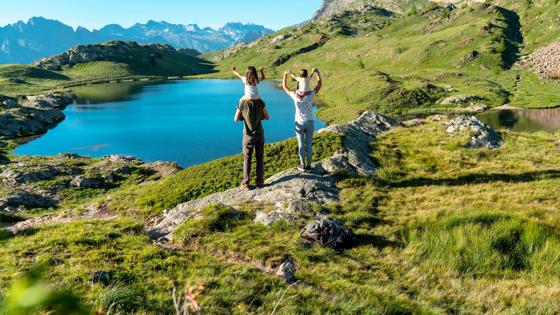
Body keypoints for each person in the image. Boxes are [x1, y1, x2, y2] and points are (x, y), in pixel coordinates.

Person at [233, 65, 270, 190]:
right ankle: (260, 182)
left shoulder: (242, 102)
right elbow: (267, 117)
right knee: (260, 157)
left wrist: (244, 117)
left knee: (247, 159)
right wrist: (261, 70)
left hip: (248, 135)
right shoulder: (260, 101)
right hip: (259, 133)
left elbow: (235, 119)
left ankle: (246, 183)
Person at [283, 68, 322, 171]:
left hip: (299, 122)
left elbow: (285, 87)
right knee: (309, 144)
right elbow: (319, 84)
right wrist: (317, 73)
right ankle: (309, 165)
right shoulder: (311, 95)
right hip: (310, 122)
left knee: (301, 144)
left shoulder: (295, 95)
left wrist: (285, 76)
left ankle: (302, 165)